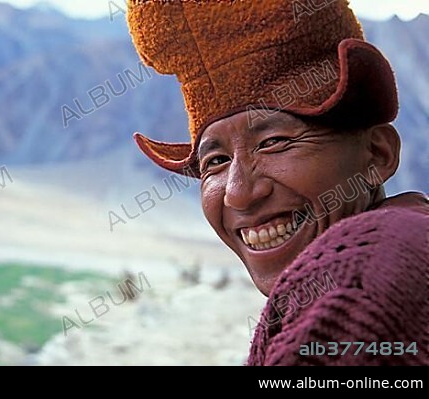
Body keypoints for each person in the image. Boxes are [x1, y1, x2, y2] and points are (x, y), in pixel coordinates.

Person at [126, 0, 428, 365]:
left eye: (274, 143)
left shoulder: (359, 279)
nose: (238, 194)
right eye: (216, 161)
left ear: (377, 155)